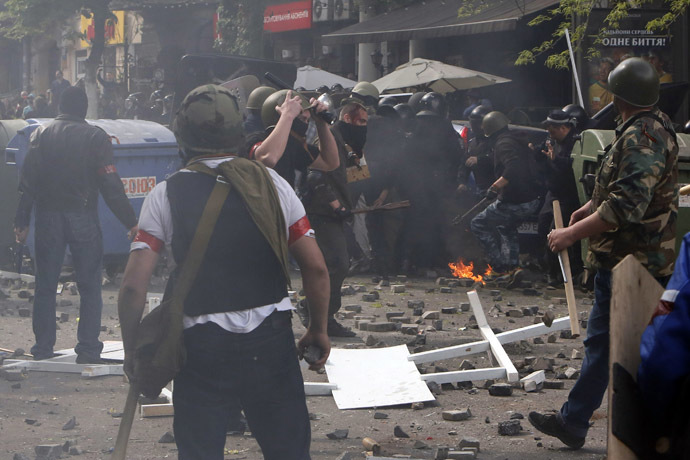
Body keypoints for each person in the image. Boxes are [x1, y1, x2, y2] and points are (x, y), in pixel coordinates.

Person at [118, 84, 331, 459]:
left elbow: (134, 288)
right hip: (271, 341)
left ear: (182, 135)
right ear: (237, 134)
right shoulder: (274, 184)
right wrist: (318, 329)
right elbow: (315, 267)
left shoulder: (165, 194)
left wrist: (134, 347)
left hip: (201, 348)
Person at [530, 57, 679, 449]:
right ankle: (578, 420)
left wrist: (571, 234)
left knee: (619, 348)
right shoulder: (641, 127)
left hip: (634, 264)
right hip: (629, 260)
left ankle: (594, 424)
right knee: (612, 346)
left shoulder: (642, 136)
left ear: (619, 95)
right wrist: (586, 210)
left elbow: (626, 205)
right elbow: (613, 193)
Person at [14, 86, 138, 363]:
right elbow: (110, 184)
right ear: (84, 109)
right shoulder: (96, 137)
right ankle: (88, 349)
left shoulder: (40, 134)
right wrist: (130, 221)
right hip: (82, 216)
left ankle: (43, 349)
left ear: (59, 106)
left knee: (45, 283)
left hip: (47, 217)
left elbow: (28, 183)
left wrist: (21, 221)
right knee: (90, 283)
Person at [297, 101, 369, 337]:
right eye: (361, 122)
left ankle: (325, 316)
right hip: (322, 211)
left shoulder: (342, 140)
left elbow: (351, 173)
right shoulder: (329, 137)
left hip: (332, 211)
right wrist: (336, 205)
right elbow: (316, 176)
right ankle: (314, 310)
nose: (364, 127)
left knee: (336, 264)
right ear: (347, 118)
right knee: (336, 264)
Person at [470, 111, 541, 278]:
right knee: (506, 227)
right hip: (529, 199)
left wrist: (495, 186)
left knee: (477, 223)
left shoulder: (503, 144)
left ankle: (498, 267)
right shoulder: (515, 140)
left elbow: (513, 168)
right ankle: (511, 269)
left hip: (516, 201)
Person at [246, 89, 338, 189]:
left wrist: (321, 124)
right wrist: (288, 116)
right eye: (301, 118)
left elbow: (329, 162)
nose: (305, 124)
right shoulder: (254, 139)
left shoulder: (293, 145)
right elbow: (268, 158)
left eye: (307, 120)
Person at [536, 109, 584, 285]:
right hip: (553, 192)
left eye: (553, 130)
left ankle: (563, 273)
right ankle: (549, 269)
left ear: (564, 128)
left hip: (568, 194)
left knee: (556, 230)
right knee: (543, 225)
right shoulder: (551, 141)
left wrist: (556, 159)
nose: (550, 133)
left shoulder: (576, 142)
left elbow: (573, 167)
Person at [457, 104, 494, 199]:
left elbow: (499, 158)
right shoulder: (472, 142)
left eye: (478, 124)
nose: (477, 127)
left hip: (494, 189)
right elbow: (464, 163)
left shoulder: (496, 141)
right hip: (477, 190)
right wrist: (462, 182)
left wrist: (480, 159)